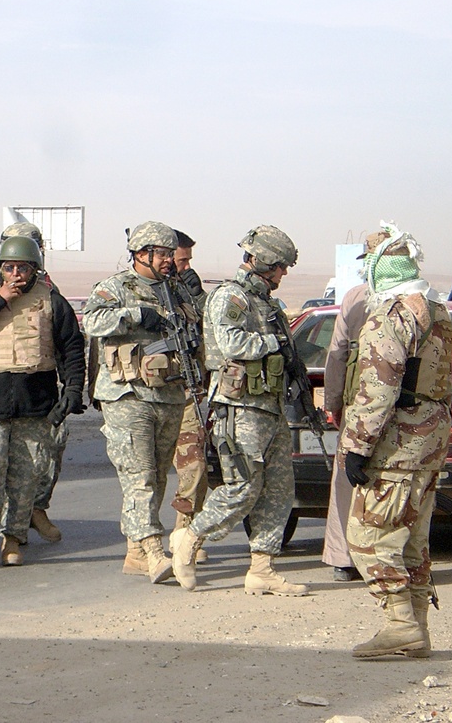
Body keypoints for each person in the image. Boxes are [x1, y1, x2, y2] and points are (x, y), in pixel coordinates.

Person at [170, 225, 308, 597]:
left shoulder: (267, 303)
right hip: (240, 407)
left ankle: (262, 567)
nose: (282, 274)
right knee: (242, 487)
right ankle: (191, 538)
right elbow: (231, 342)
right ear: (261, 262)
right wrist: (273, 341)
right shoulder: (231, 297)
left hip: (271, 407)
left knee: (278, 489)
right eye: (279, 267)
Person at [340, 222, 452, 659]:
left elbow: (377, 389)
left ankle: (400, 623)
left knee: (370, 534)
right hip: (428, 445)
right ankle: (417, 629)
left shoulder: (391, 318)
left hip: (397, 446)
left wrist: (356, 447)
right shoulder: (437, 312)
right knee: (412, 540)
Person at [0, 236, 85, 568]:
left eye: (22, 268)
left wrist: (72, 391)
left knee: (26, 474)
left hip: (35, 398)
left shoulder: (53, 302)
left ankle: (13, 539)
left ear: (34, 270)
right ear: (0, 270)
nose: (15, 275)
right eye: (9, 268)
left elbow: (72, 348)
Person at [83, 221, 193, 583]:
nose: (167, 260)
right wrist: (131, 315)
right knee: (139, 477)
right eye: (161, 254)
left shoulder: (176, 291)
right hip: (127, 394)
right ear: (141, 254)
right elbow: (92, 322)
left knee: (159, 474)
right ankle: (152, 551)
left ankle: (134, 550)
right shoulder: (115, 287)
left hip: (169, 393)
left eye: (169, 254)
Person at [320, 231, 388, 582]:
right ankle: (384, 558)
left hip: (359, 407)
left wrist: (334, 404)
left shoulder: (356, 298)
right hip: (398, 412)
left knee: (348, 481)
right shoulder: (422, 301)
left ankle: (343, 558)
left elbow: (337, 355)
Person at [165, 229, 210, 565]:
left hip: (187, 390)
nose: (186, 266)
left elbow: (209, 330)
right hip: (148, 394)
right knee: (148, 474)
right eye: (182, 260)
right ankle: (143, 544)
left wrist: (198, 299)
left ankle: (184, 534)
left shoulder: (188, 291)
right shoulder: (135, 289)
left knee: (193, 467)